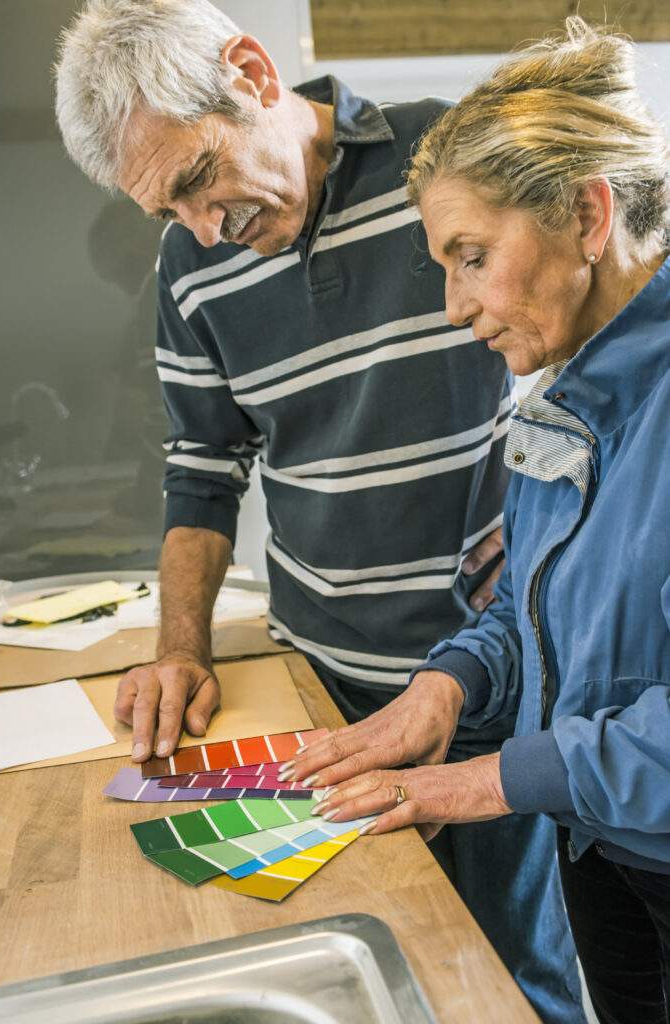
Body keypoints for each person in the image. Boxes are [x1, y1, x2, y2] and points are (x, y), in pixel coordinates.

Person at [54, 4, 585, 1020]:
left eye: (199, 179)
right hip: (322, 689)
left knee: (516, 977)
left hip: (497, 679)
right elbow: (204, 465)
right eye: (171, 212)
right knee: (366, 958)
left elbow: (577, 360)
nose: (208, 230)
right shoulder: (192, 266)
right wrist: (181, 646)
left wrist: (557, 522)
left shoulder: (452, 167)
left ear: (253, 73)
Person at [287, 17, 670, 1024]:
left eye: (471, 257)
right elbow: (538, 611)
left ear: (589, 215)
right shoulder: (561, 394)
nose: (455, 308)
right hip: (600, 844)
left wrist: (485, 782)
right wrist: (449, 687)